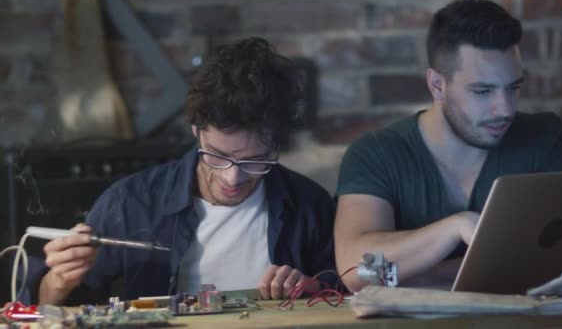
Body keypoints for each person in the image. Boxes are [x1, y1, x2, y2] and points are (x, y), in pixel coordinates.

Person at [24, 37, 336, 305]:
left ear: (276, 146)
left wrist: (313, 287)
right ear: (195, 130)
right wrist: (59, 281)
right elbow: (48, 307)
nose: (233, 178)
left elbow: (345, 297)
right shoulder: (131, 202)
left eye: (255, 161)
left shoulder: (309, 205)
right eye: (218, 155)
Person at [334, 0, 562, 292]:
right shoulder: (375, 153)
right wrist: (455, 227)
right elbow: (354, 270)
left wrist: (414, 276)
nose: (504, 109)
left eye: (513, 87)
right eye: (483, 91)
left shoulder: (545, 138)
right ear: (437, 85)